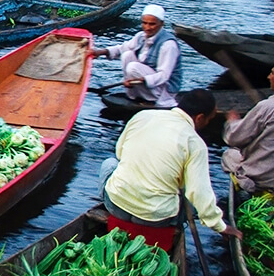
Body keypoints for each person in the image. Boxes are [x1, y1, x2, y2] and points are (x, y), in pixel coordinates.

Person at [101, 89, 241, 240]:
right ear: (200, 118)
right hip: (155, 218)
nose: (207, 123)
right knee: (192, 191)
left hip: (116, 205)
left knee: (110, 163)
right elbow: (199, 194)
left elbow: (120, 153)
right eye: (209, 119)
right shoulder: (195, 143)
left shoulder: (143, 116)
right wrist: (220, 227)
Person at [90, 5, 183, 108]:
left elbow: (164, 75)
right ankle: (135, 95)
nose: (147, 27)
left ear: (161, 24)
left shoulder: (168, 45)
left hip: (164, 90)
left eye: (152, 24)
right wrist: (102, 52)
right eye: (144, 23)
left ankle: (152, 99)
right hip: (146, 82)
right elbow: (122, 48)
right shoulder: (141, 36)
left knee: (132, 67)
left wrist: (140, 80)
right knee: (127, 55)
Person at [223, 67, 274, 194]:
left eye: (272, 73)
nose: (269, 77)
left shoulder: (266, 107)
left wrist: (232, 122)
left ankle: (247, 185)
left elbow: (233, 138)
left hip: (263, 178)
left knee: (229, 154)